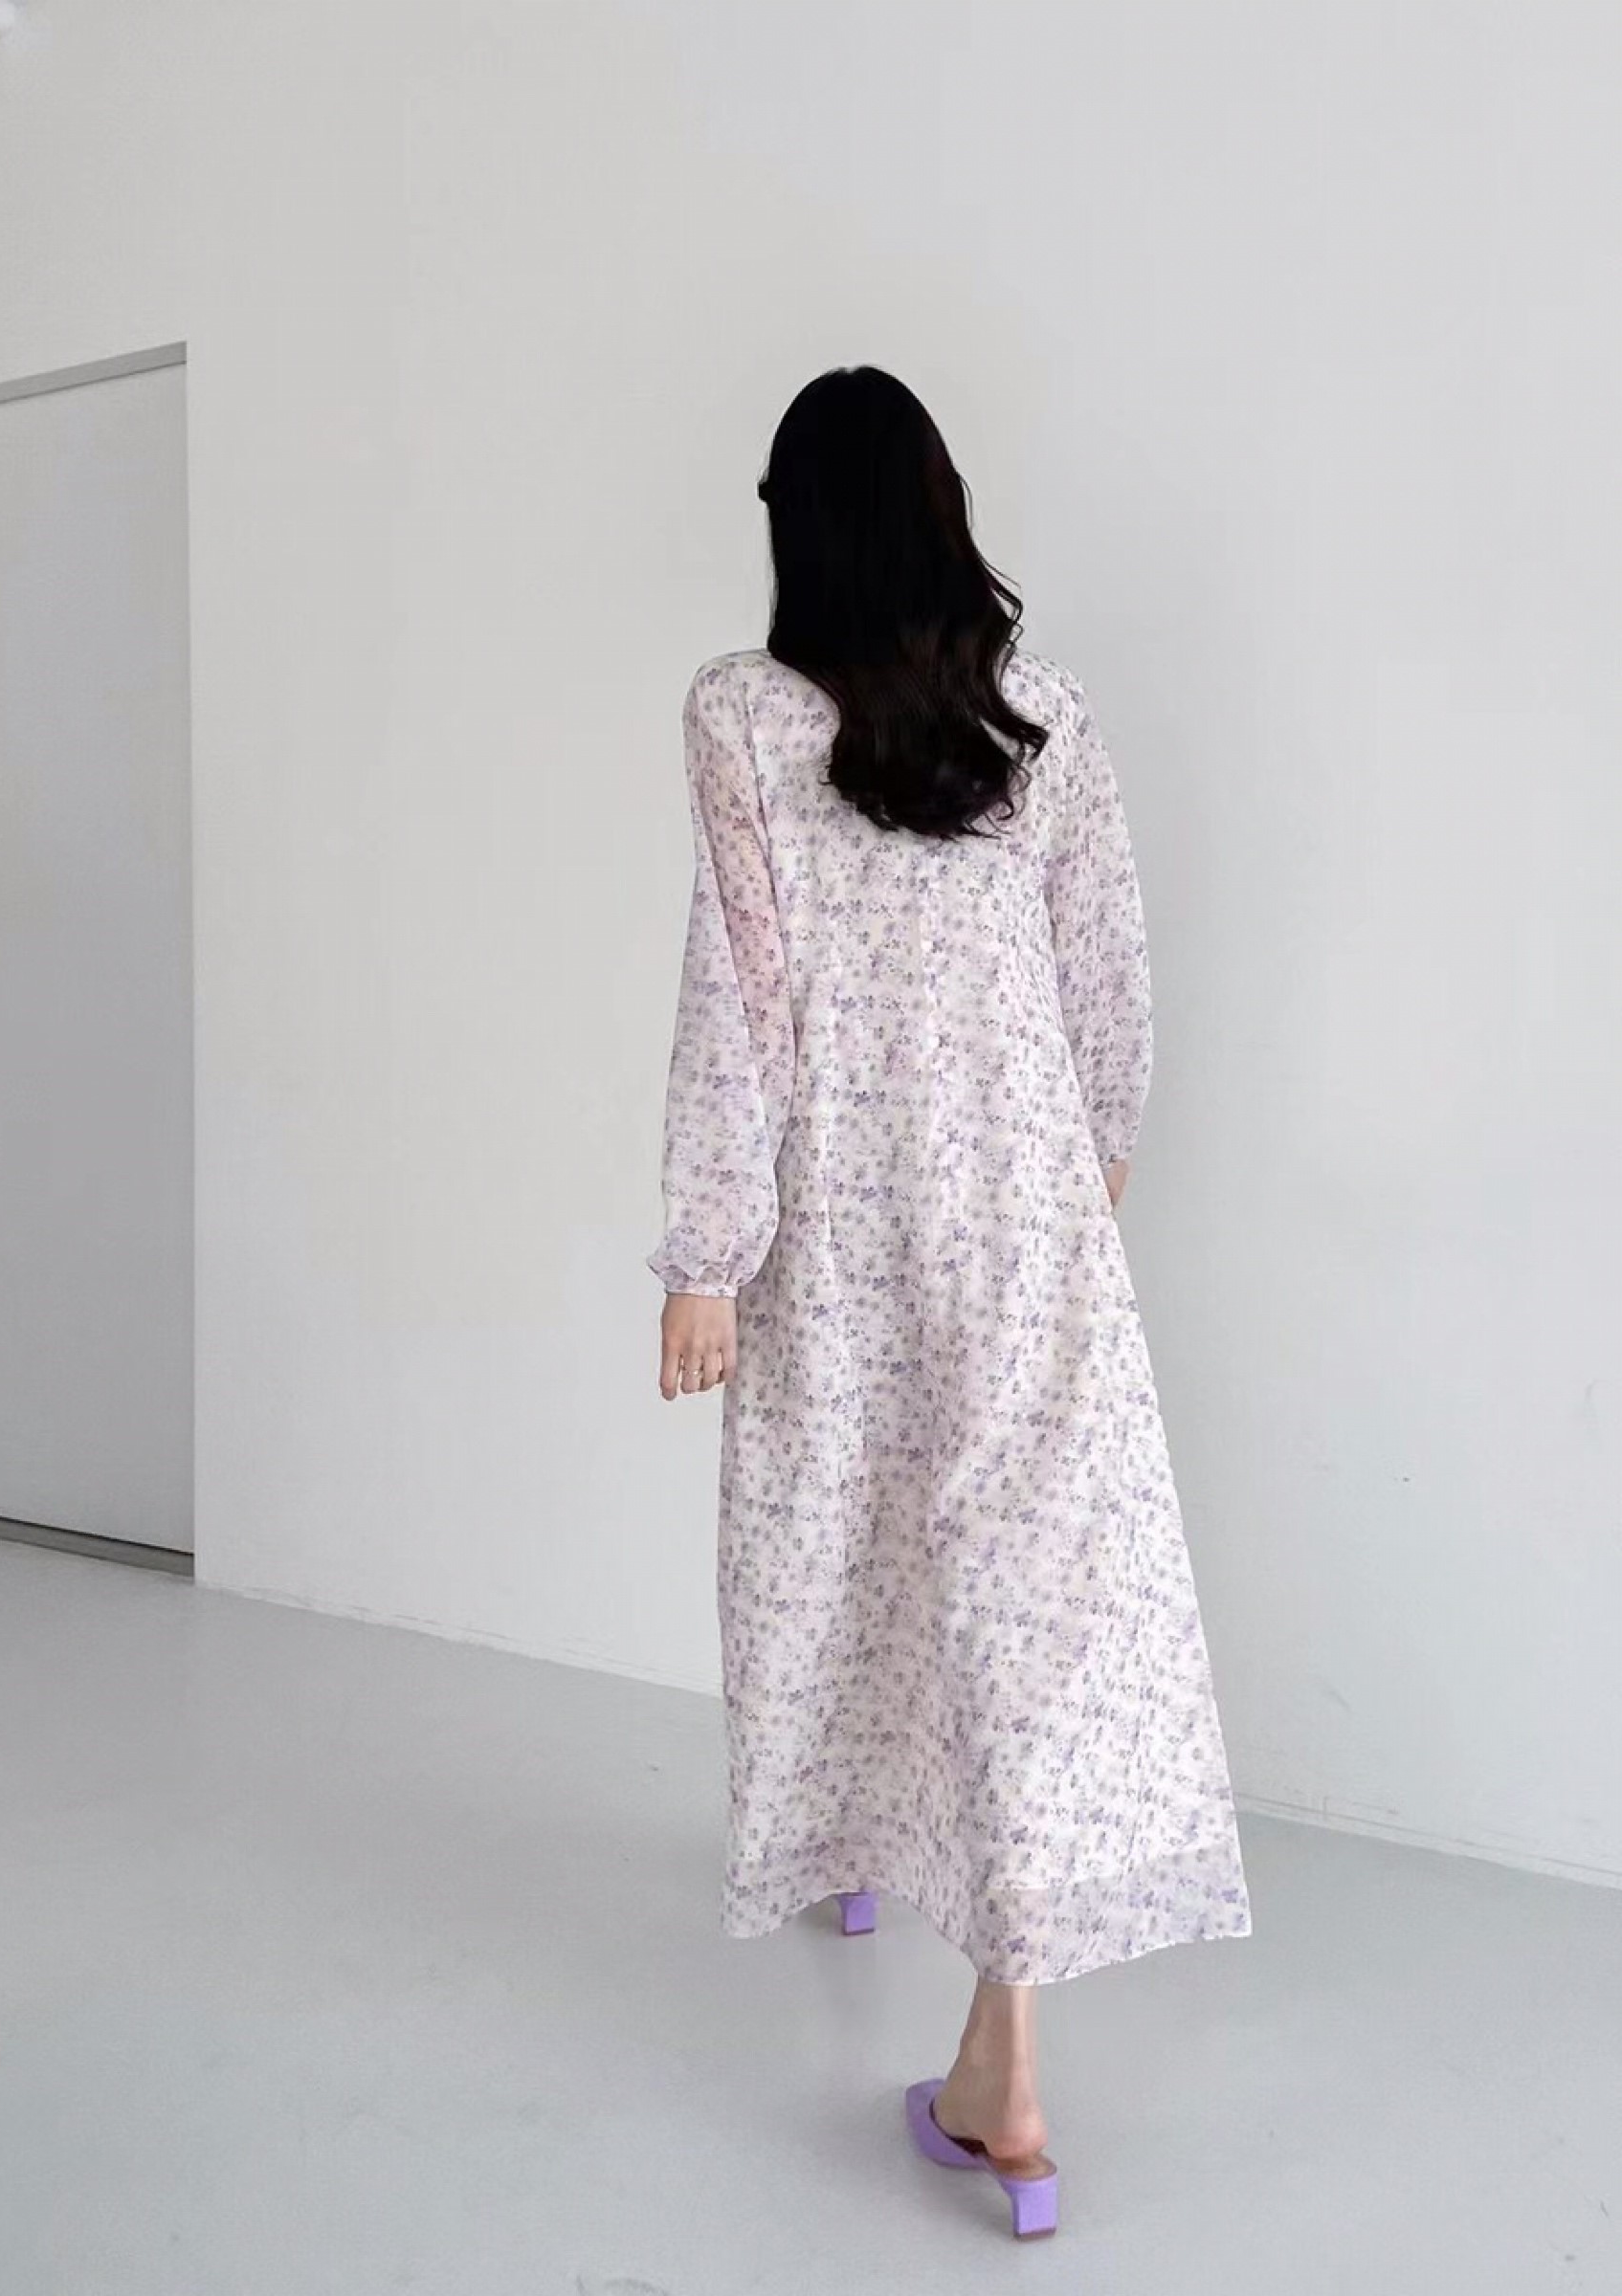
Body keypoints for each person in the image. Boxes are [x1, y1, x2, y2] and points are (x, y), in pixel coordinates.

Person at [647, 365, 1250, 2241]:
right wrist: (1093, 1163)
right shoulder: (1037, 713)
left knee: (845, 1539)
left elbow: (738, 993)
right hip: (1022, 1215)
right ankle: (1012, 2066)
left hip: (847, 1216)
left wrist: (705, 1253)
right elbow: (1108, 968)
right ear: (940, 510)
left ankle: (925, 1950)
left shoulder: (743, 714)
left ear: (798, 526)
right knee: (1016, 1594)